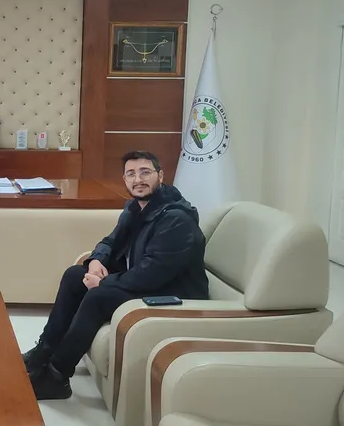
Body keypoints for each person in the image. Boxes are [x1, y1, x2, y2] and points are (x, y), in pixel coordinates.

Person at [22, 151, 208, 400]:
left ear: (160, 176)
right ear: (125, 179)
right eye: (131, 174)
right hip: (147, 282)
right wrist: (96, 261)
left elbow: (153, 273)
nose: (138, 179)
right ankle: (42, 353)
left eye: (145, 172)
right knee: (74, 275)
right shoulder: (135, 207)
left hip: (173, 295)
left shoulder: (176, 219)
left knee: (99, 296)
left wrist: (104, 282)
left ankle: (56, 376)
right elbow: (110, 241)